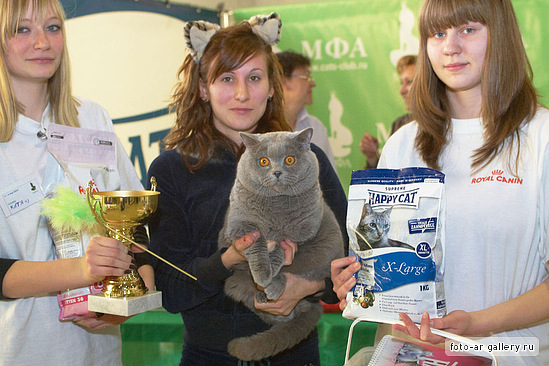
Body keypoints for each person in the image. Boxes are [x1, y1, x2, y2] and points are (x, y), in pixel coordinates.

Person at [332, 0, 549, 364]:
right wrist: (360, 285)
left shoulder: (540, 137)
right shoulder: (403, 144)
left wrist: (475, 324)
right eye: (437, 33)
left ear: (503, 36)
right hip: (406, 356)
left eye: (468, 30)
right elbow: (385, 261)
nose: (450, 47)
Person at [147, 14, 347, 366]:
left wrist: (308, 286)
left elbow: (349, 259)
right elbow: (170, 289)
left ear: (271, 86)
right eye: (227, 78)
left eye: (254, 78)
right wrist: (229, 259)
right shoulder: (171, 171)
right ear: (203, 89)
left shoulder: (307, 159)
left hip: (295, 353)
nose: (241, 93)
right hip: (209, 356)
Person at [0, 0, 154, 364]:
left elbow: (136, 229)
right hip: (21, 349)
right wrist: (83, 270)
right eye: (23, 29)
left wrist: (128, 301)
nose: (42, 42)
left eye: (53, 28)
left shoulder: (92, 118)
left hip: (97, 352)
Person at [276, 50, 338, 172]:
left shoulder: (316, 128)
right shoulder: (260, 128)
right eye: (306, 77)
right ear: (283, 81)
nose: (313, 83)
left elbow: (331, 180)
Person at [359, 55, 416, 169]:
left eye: (409, 82)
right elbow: (388, 180)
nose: (402, 90)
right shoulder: (399, 125)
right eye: (401, 83)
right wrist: (373, 157)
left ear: (428, 83)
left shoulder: (443, 124)